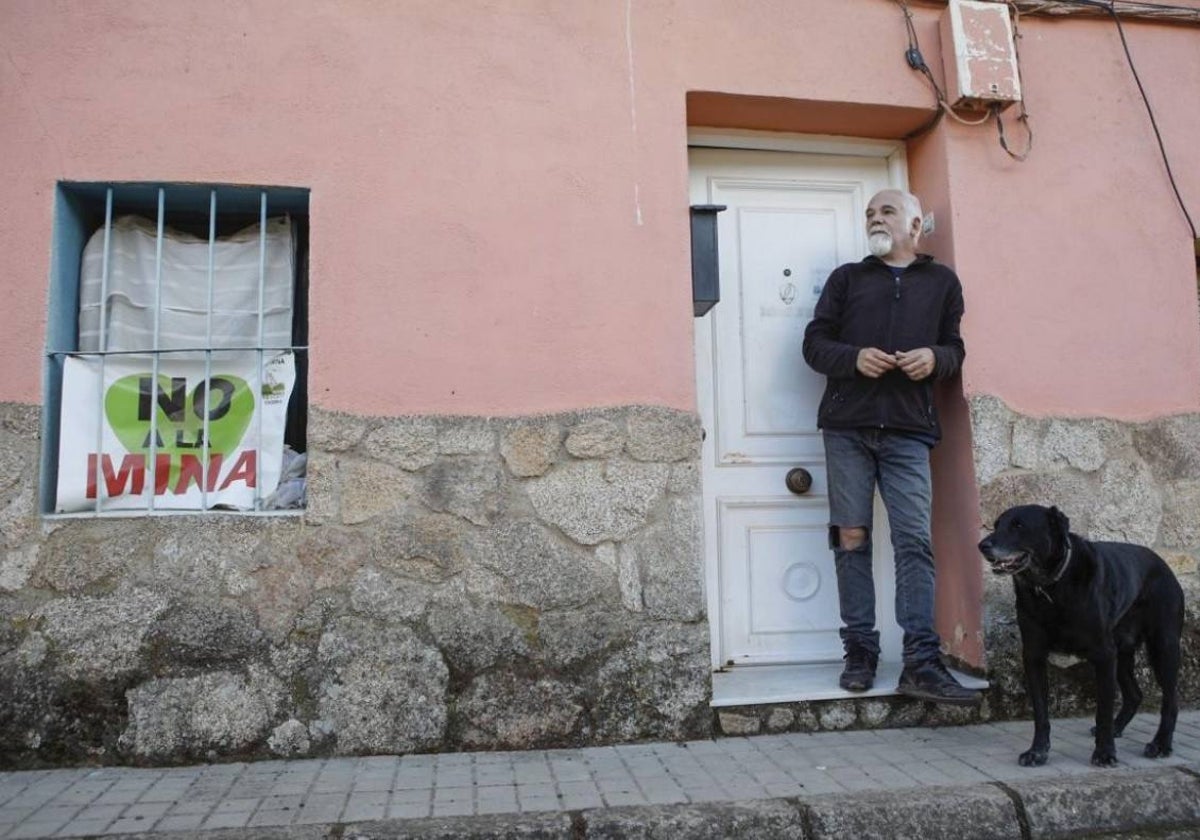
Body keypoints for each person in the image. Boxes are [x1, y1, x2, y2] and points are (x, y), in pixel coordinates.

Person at [801, 189, 979, 706]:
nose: (876, 219)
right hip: (847, 427)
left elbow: (955, 348)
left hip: (908, 431)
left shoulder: (942, 281)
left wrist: (934, 358)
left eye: (887, 211)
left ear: (916, 224)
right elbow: (814, 344)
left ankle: (922, 661)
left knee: (913, 544)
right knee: (851, 537)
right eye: (870, 213)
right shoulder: (847, 279)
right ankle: (860, 652)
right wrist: (854, 359)